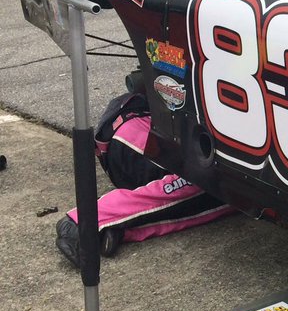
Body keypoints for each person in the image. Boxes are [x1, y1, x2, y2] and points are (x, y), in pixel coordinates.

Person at [55, 91, 234, 268]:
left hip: (144, 130)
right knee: (215, 181)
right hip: (133, 128)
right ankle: (87, 219)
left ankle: (118, 228)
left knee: (235, 196)